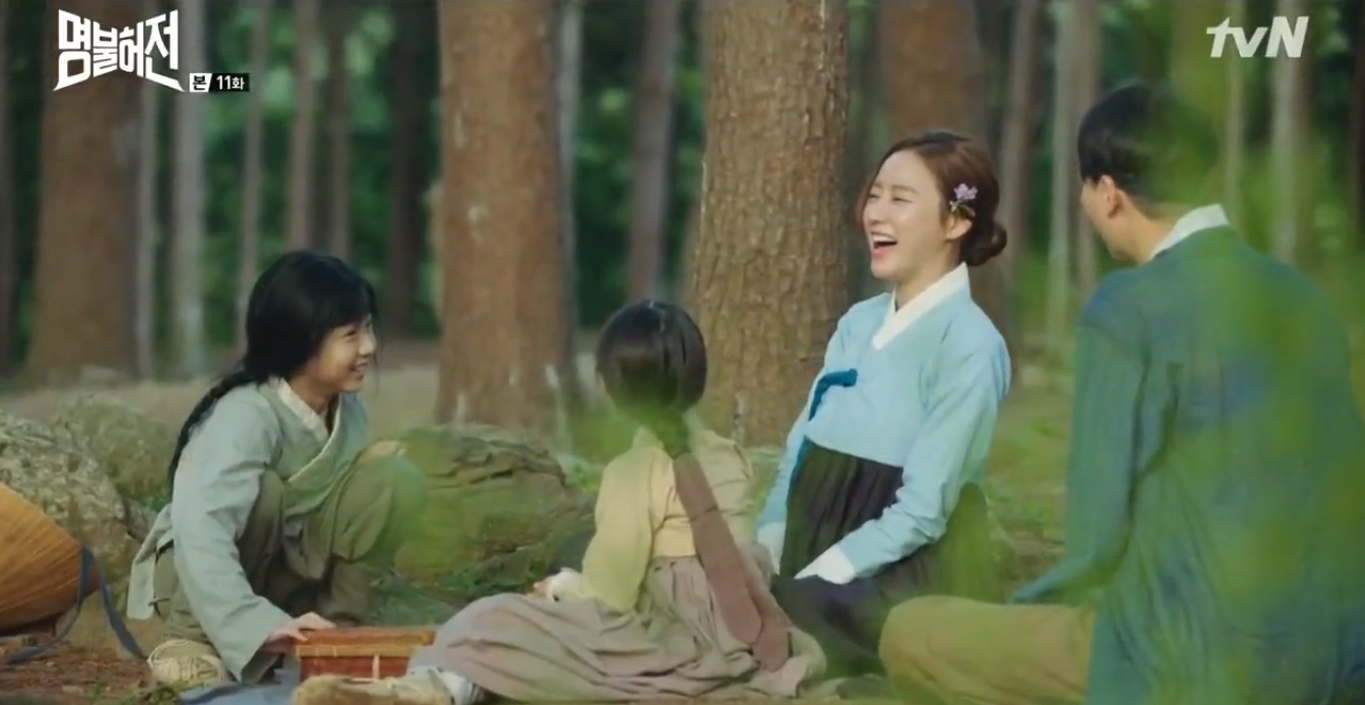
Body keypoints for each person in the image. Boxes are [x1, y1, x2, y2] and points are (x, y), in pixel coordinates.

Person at [880, 82, 1365, 705]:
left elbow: (1096, 533)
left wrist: (1027, 605)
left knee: (911, 632)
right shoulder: (1303, 298)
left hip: (1193, 661)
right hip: (1335, 655)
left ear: (1108, 193)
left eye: (1085, 189)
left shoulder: (1126, 309)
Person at [291, 300, 825, 705]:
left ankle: (436, 689)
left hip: (668, 636)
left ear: (611, 389)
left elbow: (613, 592)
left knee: (497, 615)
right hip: (736, 633)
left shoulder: (635, 471)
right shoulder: (729, 457)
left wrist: (563, 589)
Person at [755, 131, 1012, 688]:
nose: (875, 213)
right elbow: (802, 445)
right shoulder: (857, 322)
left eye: (900, 198)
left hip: (897, 571)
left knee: (771, 627)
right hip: (808, 553)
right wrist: (770, 537)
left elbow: (923, 510)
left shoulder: (970, 345)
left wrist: (819, 578)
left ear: (956, 221)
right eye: (874, 195)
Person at [124, 251, 427, 691]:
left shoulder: (348, 411)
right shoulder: (245, 414)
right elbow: (202, 529)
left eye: (368, 328)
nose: (369, 347)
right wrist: (252, 623)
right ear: (301, 341)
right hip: (207, 581)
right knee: (264, 492)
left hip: (287, 574)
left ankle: (339, 635)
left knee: (394, 478)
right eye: (350, 335)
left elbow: (338, 503)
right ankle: (190, 641)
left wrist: (371, 478)